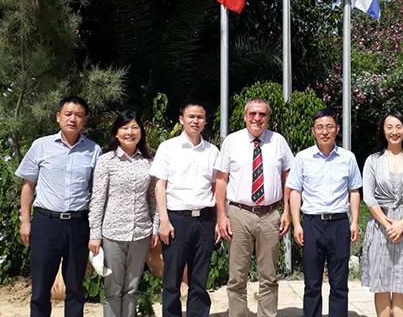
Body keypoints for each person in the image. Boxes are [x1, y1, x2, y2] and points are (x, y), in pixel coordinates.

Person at [17, 96, 102, 317]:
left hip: (78, 224)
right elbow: (28, 186)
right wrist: (25, 221)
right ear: (58, 117)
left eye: (79, 115)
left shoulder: (94, 150)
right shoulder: (41, 145)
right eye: (68, 114)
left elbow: (99, 193)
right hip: (46, 223)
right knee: (40, 288)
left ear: (85, 120)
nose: (73, 119)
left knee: (75, 287)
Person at [214, 98, 293, 317]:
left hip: (270, 215)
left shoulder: (278, 141)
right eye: (253, 114)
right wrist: (221, 216)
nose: (257, 118)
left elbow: (289, 178)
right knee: (237, 276)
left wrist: (287, 211)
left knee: (269, 275)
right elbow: (221, 180)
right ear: (245, 116)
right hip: (239, 214)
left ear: (268, 117)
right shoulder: (232, 141)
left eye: (262, 114)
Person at [287, 109, 362, 317]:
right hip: (312, 224)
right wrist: (297, 224)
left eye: (329, 127)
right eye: (320, 127)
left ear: (337, 129)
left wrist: (354, 221)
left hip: (339, 224)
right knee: (312, 282)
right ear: (313, 131)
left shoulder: (348, 158)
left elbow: (354, 191)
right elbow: (295, 191)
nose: (325, 131)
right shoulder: (302, 158)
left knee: (339, 282)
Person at [151, 100, 219, 317]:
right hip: (176, 220)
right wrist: (163, 220)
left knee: (199, 279)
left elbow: (217, 187)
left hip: (205, 219)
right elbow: (159, 185)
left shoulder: (212, 151)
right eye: (191, 117)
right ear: (181, 119)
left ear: (205, 121)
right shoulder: (168, 148)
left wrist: (218, 220)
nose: (195, 121)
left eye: (200, 117)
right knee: (172, 279)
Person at [87, 110, 158, 317]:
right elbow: (98, 199)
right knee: (113, 289)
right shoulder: (106, 161)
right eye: (125, 128)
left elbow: (153, 199)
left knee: (132, 288)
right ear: (116, 133)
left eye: (135, 127)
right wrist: (95, 234)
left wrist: (154, 227)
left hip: (141, 233)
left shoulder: (148, 162)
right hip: (112, 233)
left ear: (141, 133)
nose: (130, 132)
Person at [361, 110, 403, 317]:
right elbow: (369, 197)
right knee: (381, 281)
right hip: (380, 226)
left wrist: (401, 224)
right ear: (383, 130)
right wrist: (387, 223)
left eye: (398, 126)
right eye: (389, 127)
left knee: (402, 280)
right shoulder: (373, 161)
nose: (394, 131)